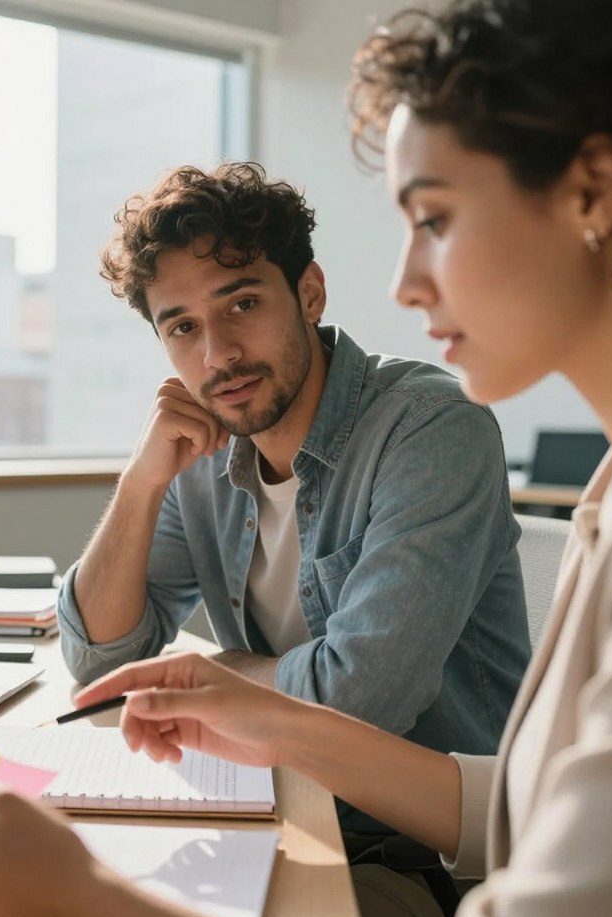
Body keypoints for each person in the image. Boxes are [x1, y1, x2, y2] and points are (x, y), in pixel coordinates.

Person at [0, 0, 612, 917]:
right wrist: (258, 698)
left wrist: (82, 900)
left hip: (414, 876)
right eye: (179, 326)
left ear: (594, 190)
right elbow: (517, 809)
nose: (408, 282)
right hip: (334, 822)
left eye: (434, 219)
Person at [56, 163, 529, 873]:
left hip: (419, 855)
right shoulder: (204, 456)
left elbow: (361, 699)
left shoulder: (430, 430)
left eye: (241, 304)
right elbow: (104, 661)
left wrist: (216, 669)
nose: (217, 355)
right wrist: (140, 483)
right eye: (182, 327)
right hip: (274, 808)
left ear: (309, 294)